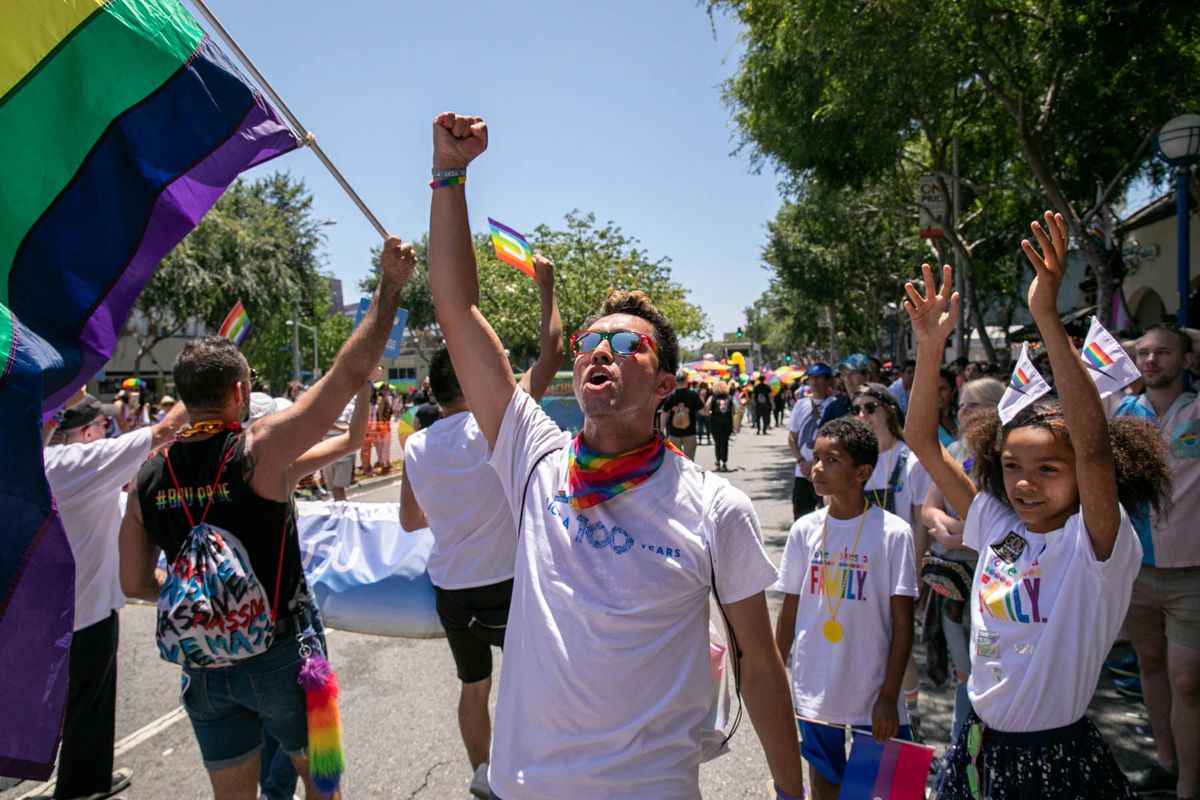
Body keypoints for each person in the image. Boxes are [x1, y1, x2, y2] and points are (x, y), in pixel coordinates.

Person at [425, 111, 805, 800]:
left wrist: (790, 790)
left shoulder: (716, 507)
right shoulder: (534, 456)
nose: (602, 350)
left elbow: (758, 659)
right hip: (523, 787)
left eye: (629, 345)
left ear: (665, 386)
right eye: (590, 342)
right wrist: (449, 176)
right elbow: (456, 310)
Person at [119, 238, 416, 797]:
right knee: (321, 780)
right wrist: (389, 288)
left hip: (202, 666)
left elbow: (134, 582)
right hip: (284, 654)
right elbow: (348, 374)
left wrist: (207, 605)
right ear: (240, 392)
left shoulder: (147, 478)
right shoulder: (259, 450)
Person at [904, 215, 1170, 798]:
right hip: (977, 749)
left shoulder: (1097, 543)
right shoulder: (996, 523)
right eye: (1013, 468)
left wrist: (1046, 315)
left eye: (1049, 468)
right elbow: (922, 438)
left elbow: (1095, 447)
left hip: (1056, 762)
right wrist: (929, 350)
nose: (1025, 484)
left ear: (1084, 477)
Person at [400, 252, 561, 799]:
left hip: (453, 590)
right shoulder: (501, 425)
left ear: (431, 392)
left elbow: (408, 519)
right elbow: (552, 353)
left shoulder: (415, 446)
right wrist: (547, 289)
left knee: (474, 688)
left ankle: (483, 777)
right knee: (531, 684)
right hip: (510, 585)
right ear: (472, 379)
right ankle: (534, 776)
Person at [43, 393, 187, 800]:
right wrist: (197, 386)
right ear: (86, 432)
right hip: (86, 612)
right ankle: (82, 787)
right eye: (102, 428)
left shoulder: (30, 466)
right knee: (90, 705)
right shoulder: (77, 464)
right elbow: (163, 432)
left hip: (34, 614)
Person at [775, 417, 917, 800]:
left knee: (888, 788)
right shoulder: (805, 530)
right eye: (815, 457)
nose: (817, 467)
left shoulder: (892, 533)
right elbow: (789, 609)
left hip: (873, 687)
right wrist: (772, 675)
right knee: (825, 783)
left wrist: (890, 695)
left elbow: (903, 623)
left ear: (862, 472)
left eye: (831, 459)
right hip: (817, 685)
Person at [1112, 323, 1200, 799]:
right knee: (1150, 665)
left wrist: (1192, 337)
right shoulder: (1123, 414)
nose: (1150, 360)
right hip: (1137, 570)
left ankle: (1190, 785)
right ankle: (1167, 764)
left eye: (1164, 352)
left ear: (1187, 359)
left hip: (1193, 574)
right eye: (1142, 353)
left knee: (1187, 681)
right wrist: (1130, 348)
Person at [919, 377, 1005, 743]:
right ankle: (962, 751)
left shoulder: (1009, 455)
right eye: (961, 405)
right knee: (963, 670)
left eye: (973, 405)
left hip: (994, 581)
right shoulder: (954, 449)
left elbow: (1008, 528)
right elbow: (928, 509)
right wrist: (946, 530)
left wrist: (965, 536)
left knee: (994, 670)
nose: (962, 412)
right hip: (950, 580)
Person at [849, 382, 929, 737]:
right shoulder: (855, 461)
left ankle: (910, 715)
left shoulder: (908, 460)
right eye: (857, 409)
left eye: (870, 408)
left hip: (898, 567)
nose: (862, 416)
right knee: (865, 643)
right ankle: (866, 713)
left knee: (899, 645)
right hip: (861, 567)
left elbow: (921, 521)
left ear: (888, 410)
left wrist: (917, 570)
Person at [787, 363, 847, 519]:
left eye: (819, 378)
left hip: (827, 471)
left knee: (829, 515)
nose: (814, 382)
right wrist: (802, 462)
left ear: (828, 380)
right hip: (803, 472)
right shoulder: (801, 404)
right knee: (801, 516)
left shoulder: (836, 405)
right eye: (811, 378)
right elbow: (792, 438)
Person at [660, 369, 706, 458]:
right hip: (690, 433)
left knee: (675, 460)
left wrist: (662, 429)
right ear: (686, 380)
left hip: (674, 433)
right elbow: (703, 412)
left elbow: (664, 413)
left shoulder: (670, 395)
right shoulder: (693, 395)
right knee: (689, 460)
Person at [707, 380, 736, 471]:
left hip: (715, 423)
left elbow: (707, 408)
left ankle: (718, 460)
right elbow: (733, 411)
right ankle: (724, 461)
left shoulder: (712, 398)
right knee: (725, 442)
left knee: (717, 442)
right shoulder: (730, 397)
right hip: (727, 423)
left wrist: (711, 413)